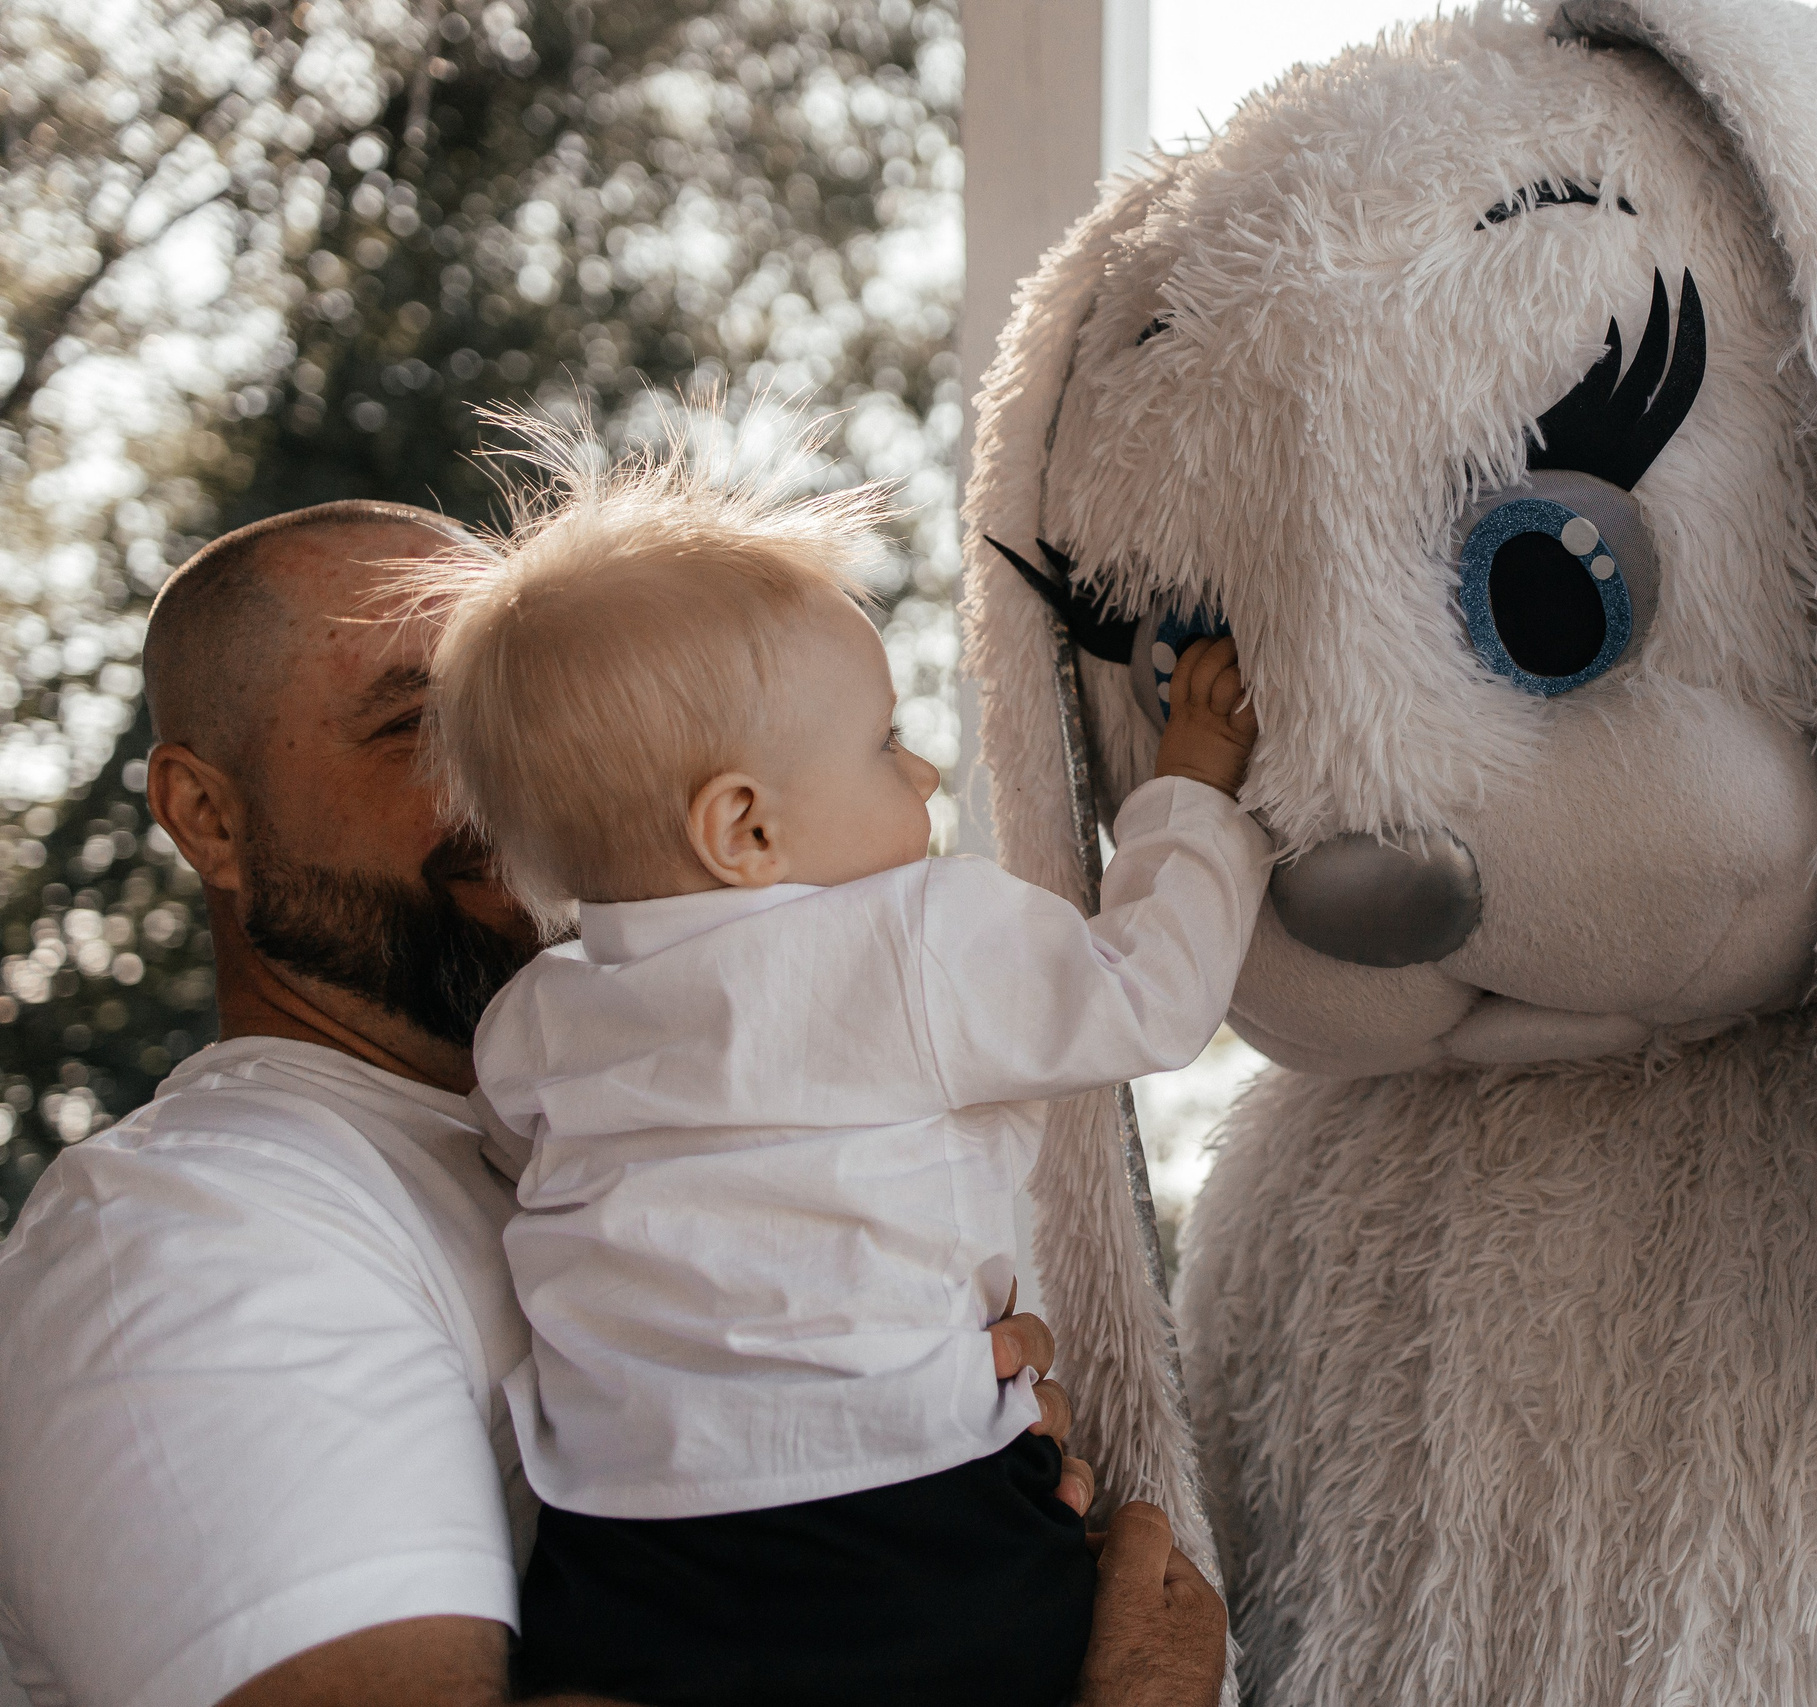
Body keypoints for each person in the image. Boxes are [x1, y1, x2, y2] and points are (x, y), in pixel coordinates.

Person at [0, 500, 1230, 1707]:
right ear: (206, 815)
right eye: (428, 729)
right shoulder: (185, 1239)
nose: (508, 790)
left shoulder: (564, 1072)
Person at [411, 445, 1269, 1705]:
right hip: (911, 1523)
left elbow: (524, 1171)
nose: (923, 775)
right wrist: (1191, 791)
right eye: (885, 744)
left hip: (627, 1558)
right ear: (744, 829)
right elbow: (1151, 994)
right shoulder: (911, 934)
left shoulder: (536, 1020)